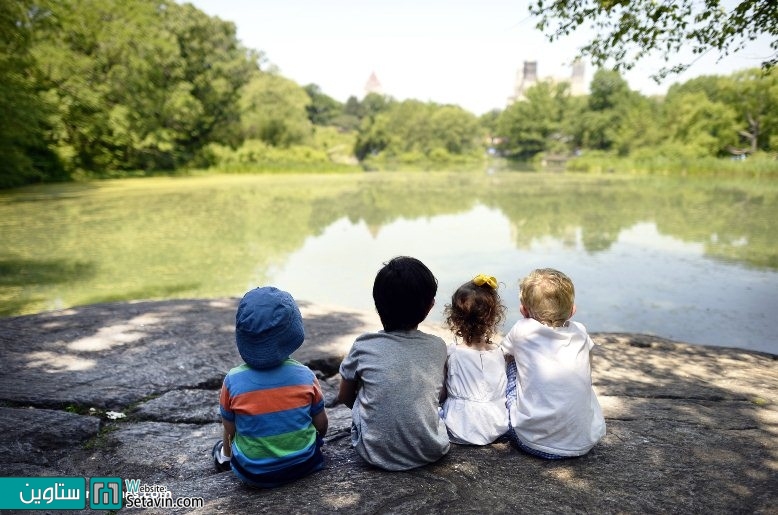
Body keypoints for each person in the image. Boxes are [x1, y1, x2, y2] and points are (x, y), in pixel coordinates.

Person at [337, 256, 450, 470]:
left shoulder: (364, 345)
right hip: (430, 450)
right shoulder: (438, 346)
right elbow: (440, 396)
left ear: (377, 303)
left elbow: (344, 397)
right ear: (429, 307)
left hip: (374, 453)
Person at [211, 286, 328, 487]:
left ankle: (224, 457)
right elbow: (322, 425)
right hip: (306, 464)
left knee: (226, 437)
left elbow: (231, 430)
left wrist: (232, 450)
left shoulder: (232, 380)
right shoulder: (305, 376)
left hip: (254, 473)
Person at [502, 268, 606, 459]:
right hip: (583, 442)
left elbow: (502, 356)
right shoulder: (581, 332)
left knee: (511, 362)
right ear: (572, 310)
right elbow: (589, 368)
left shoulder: (521, 329)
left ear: (523, 309)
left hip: (531, 442)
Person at [439, 274, 509, 445]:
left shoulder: (451, 353)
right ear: (493, 318)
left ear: (454, 319)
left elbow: (441, 393)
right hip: (496, 425)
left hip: (459, 427)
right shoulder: (499, 353)